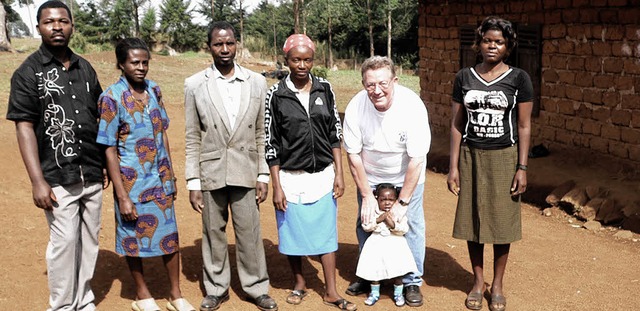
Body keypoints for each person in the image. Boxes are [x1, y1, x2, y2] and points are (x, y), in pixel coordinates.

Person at [6, 1, 105, 310]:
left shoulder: (85, 68)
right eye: (50, 22)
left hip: (90, 170)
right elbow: (24, 127)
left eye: (63, 21)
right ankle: (62, 305)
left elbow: (98, 116)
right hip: (57, 174)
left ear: (72, 26)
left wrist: (101, 164)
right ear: (39, 28)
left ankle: (83, 299)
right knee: (63, 243)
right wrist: (37, 181)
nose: (57, 27)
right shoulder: (28, 72)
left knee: (89, 241)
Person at [184, 21, 277, 311]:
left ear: (237, 44)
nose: (224, 49)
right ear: (208, 46)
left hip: (246, 168)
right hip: (211, 170)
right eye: (218, 44)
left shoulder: (257, 82)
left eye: (229, 43)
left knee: (249, 232)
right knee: (213, 232)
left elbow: (262, 132)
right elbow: (191, 137)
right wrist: (193, 181)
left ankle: (256, 287)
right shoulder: (195, 84)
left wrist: (262, 173)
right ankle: (216, 288)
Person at [96, 38, 194, 311]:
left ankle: (176, 295)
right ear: (121, 64)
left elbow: (162, 133)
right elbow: (108, 148)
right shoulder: (111, 98)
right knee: (132, 238)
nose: (140, 68)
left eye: (145, 62)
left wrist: (171, 176)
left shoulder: (155, 91)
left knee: (170, 236)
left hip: (160, 179)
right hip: (130, 182)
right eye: (134, 62)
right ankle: (142, 295)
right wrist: (121, 195)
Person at [446, 16, 533, 311]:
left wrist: (522, 168)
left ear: (508, 46)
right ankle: (476, 281)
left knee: (501, 223)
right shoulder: (464, 77)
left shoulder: (519, 79)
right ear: (478, 43)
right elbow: (457, 124)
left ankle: (496, 285)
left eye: (499, 42)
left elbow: (523, 126)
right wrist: (453, 165)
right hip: (471, 156)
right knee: (473, 222)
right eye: (487, 40)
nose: (492, 46)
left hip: (504, 158)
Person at [264, 34, 356, 311]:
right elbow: (271, 142)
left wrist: (340, 174)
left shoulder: (325, 89)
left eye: (307, 59)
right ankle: (300, 283)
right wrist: (277, 185)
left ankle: (330, 290)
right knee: (291, 231)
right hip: (290, 177)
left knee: (326, 232)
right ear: (287, 60)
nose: (302, 65)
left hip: (323, 174)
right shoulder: (276, 94)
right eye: (296, 60)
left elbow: (334, 134)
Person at [342, 56, 431, 307]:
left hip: (406, 176)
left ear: (395, 80)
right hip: (370, 176)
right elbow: (353, 156)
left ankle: (411, 280)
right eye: (370, 84)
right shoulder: (356, 107)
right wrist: (367, 196)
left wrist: (403, 201)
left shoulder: (412, 106)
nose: (376, 90)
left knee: (410, 225)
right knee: (366, 223)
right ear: (363, 84)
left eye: (383, 83)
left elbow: (416, 159)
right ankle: (368, 275)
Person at [355, 183, 418, 307]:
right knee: (375, 270)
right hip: (376, 245)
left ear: (396, 200)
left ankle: (398, 293)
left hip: (395, 245)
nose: (387, 203)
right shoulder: (373, 212)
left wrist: (392, 224)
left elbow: (404, 229)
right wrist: (378, 219)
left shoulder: (399, 213)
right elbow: (366, 226)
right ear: (376, 198)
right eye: (383, 200)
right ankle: (374, 293)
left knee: (398, 270)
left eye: (391, 200)